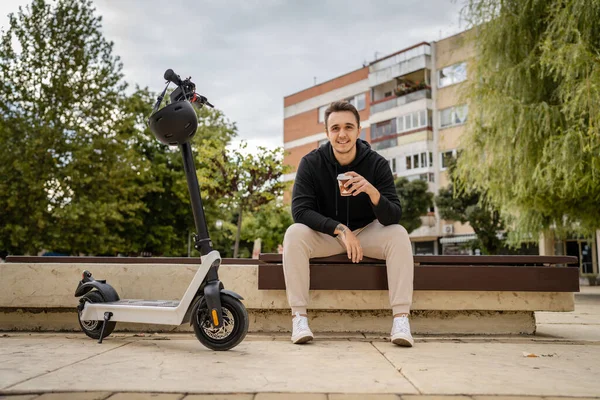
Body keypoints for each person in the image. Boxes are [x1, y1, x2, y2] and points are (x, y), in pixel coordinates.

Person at [283, 100, 414, 347]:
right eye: (335, 128)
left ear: (358, 130)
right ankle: (299, 318)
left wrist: (372, 192)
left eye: (348, 127)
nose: (342, 134)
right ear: (327, 133)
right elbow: (300, 211)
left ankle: (401, 320)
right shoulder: (311, 163)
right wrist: (340, 229)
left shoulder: (376, 164)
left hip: (366, 233)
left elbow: (393, 216)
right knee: (294, 233)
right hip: (328, 236)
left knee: (398, 234)